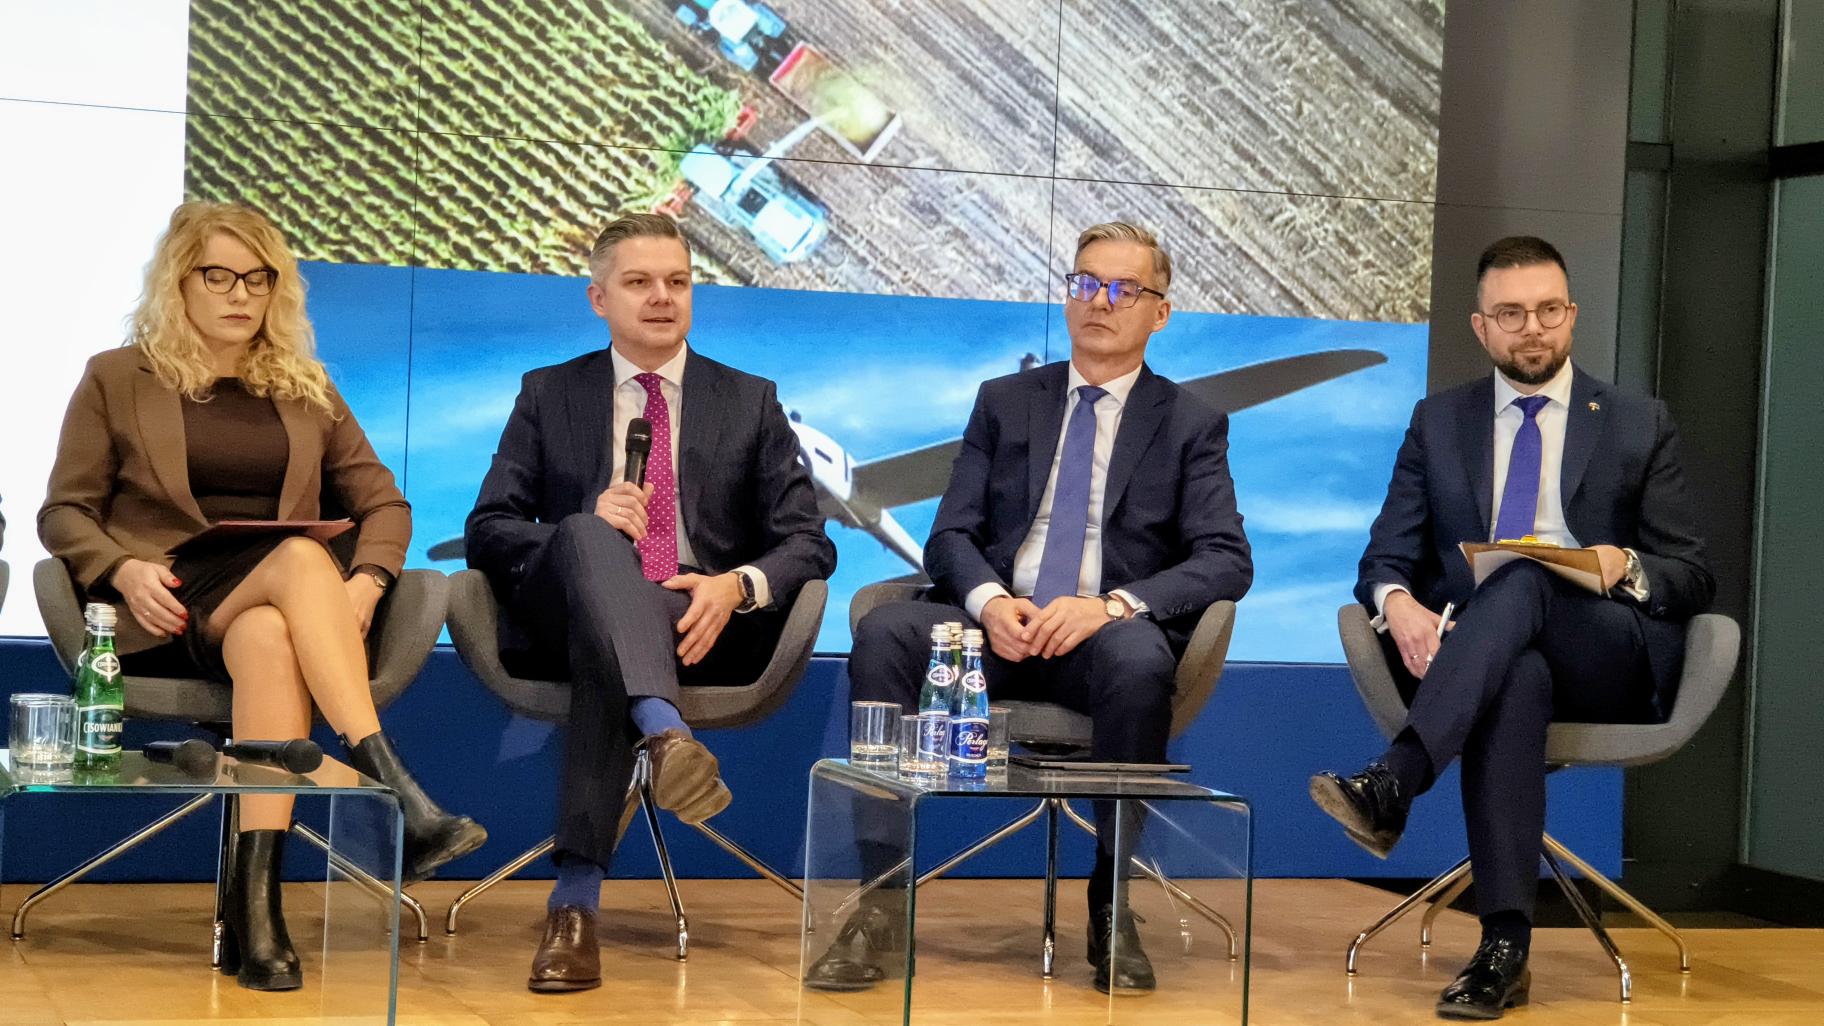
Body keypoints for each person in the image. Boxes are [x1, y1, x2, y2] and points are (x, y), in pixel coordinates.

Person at [38, 201, 487, 992]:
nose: (240, 294)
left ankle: (258, 909)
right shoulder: (117, 376)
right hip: (167, 604)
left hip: (263, 610)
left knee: (274, 633)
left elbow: (385, 505)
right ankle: (395, 789)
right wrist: (123, 568)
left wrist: (368, 580)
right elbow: (65, 512)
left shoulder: (306, 387)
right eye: (219, 276)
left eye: (258, 278)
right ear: (179, 281)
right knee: (299, 557)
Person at [811, 222, 1253, 995]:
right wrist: (990, 603)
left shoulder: (1189, 422)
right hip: (993, 633)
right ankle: (880, 898)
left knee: (1140, 658)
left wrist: (1110, 607)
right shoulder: (1006, 401)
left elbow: (1225, 559)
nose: (1100, 302)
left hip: (1098, 641)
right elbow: (951, 534)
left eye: (1123, 289)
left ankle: (1112, 902)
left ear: (1160, 313)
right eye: (1086, 283)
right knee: (886, 632)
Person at [1309, 236, 1712, 1020]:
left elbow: (1691, 573)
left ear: (1572, 314)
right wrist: (1398, 603)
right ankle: (1502, 950)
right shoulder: (1439, 422)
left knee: (1525, 570)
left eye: (1549, 311)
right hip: (1485, 659)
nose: (1534, 329)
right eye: (1513, 314)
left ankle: (1398, 777)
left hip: (1605, 652)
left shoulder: (1637, 422)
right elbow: (1383, 558)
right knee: (1515, 675)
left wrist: (1620, 563)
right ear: (1481, 326)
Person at [464, 213, 835, 994]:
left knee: (608, 652)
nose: (663, 297)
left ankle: (575, 906)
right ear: (599, 298)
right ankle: (665, 732)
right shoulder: (549, 393)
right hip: (566, 608)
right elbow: (488, 530)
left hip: (700, 621)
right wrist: (585, 521)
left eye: (678, 281)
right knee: (587, 536)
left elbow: (808, 541)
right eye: (639, 282)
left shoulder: (750, 399)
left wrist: (736, 585)